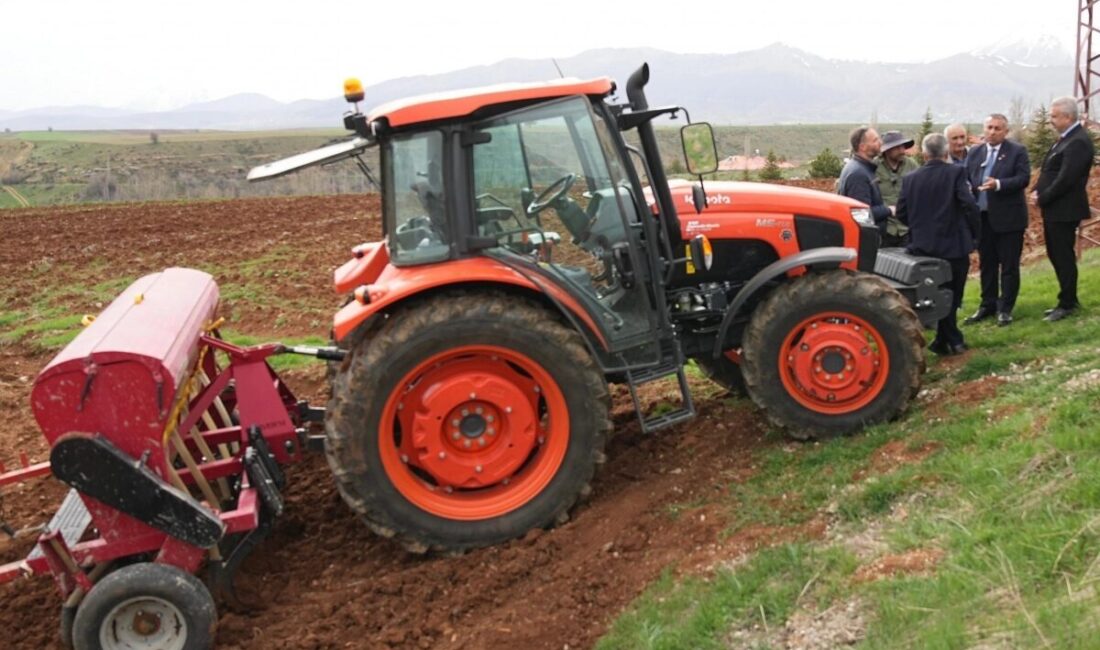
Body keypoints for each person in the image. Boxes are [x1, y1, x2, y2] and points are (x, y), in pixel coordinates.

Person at [897, 133, 980, 355]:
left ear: (924, 154)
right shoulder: (956, 173)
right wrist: (975, 233)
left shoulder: (910, 179)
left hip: (923, 247)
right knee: (953, 294)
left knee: (937, 293)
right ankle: (955, 340)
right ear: (946, 153)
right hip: (954, 245)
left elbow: (902, 213)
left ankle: (942, 341)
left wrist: (921, 226)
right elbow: (969, 204)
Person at [1031, 96, 1095, 322]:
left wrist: (1044, 197)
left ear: (1068, 117)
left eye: (1054, 116)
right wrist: (1038, 190)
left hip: (1064, 209)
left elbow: (1066, 178)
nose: (1050, 120)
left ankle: (1068, 303)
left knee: (1063, 255)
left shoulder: (1077, 141)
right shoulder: (1064, 139)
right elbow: (1050, 170)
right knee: (1056, 254)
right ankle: (1066, 299)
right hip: (1055, 208)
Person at [964, 113, 1031, 326]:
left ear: (1005, 131)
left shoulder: (1017, 152)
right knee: (987, 263)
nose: (992, 132)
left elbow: (1023, 179)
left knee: (1009, 265)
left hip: (1009, 218)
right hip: (983, 218)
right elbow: (967, 177)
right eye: (989, 127)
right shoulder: (975, 152)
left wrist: (999, 184)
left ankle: (1005, 308)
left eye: (997, 128)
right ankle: (987, 304)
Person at [838, 127, 892, 239]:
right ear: (862, 147)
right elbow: (861, 214)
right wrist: (889, 210)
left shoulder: (861, 169)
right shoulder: (858, 174)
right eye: (875, 140)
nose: (880, 143)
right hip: (864, 241)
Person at [875, 130, 918, 246]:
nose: (902, 151)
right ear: (887, 150)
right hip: (884, 229)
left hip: (906, 229)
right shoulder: (874, 167)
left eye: (903, 146)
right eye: (897, 147)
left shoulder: (912, 165)